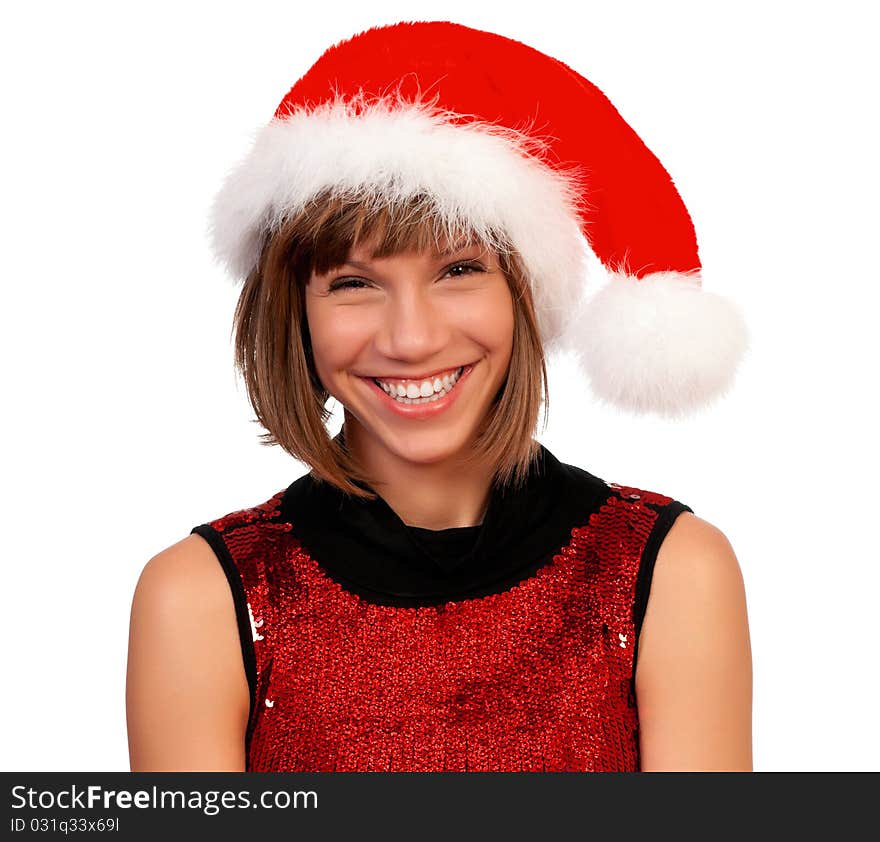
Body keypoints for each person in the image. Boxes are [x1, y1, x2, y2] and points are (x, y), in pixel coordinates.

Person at [126, 21, 752, 772]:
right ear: (294, 315)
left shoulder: (670, 574)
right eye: (354, 283)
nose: (412, 339)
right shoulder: (201, 600)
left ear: (527, 296)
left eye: (458, 270)